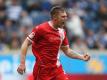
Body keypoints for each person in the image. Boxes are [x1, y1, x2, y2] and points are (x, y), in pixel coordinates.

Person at [17, 6, 90, 80]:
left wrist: (81, 57)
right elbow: (25, 43)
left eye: (66, 16)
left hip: (57, 69)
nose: (65, 18)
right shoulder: (41, 29)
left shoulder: (62, 32)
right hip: (42, 71)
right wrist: (22, 63)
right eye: (63, 17)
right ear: (55, 17)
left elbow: (67, 50)